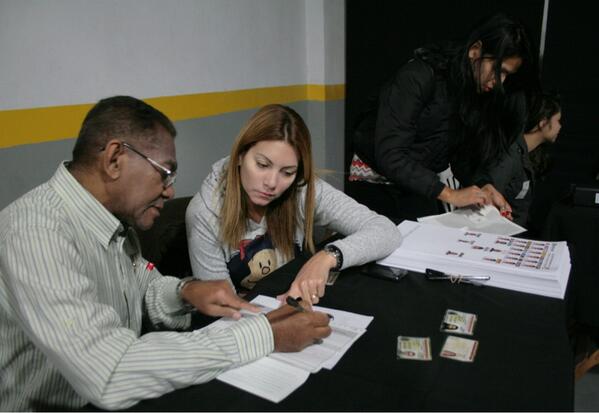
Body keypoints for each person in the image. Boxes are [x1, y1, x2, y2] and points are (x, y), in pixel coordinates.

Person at [0, 96, 331, 411]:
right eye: (165, 172)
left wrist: (184, 291)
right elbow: (110, 372)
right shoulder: (36, 233)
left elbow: (142, 287)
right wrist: (264, 335)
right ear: (115, 159)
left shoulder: (112, 221)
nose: (170, 190)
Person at [186, 104, 402, 305]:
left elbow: (385, 231)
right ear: (241, 155)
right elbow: (222, 307)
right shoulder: (204, 213)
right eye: (262, 165)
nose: (271, 183)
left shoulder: (301, 189)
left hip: (297, 305)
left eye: (287, 172)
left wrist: (327, 257)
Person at [347, 12, 539, 222]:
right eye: (498, 70)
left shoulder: (474, 92)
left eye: (507, 75)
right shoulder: (418, 76)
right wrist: (451, 194)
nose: (499, 82)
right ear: (475, 50)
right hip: (374, 184)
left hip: (418, 186)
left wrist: (484, 185)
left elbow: (461, 155)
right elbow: (391, 155)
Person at [469, 93, 562, 227]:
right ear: (543, 122)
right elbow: (487, 201)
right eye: (558, 120)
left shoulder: (527, 155)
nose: (560, 126)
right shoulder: (509, 157)